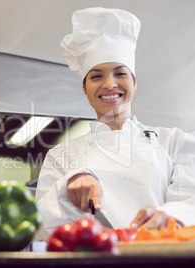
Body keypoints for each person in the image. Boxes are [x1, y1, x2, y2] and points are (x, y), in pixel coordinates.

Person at [35, 7, 195, 242]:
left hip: (162, 257)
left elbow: (191, 201)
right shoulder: (61, 155)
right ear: (84, 87)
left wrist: (166, 215)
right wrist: (67, 188)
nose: (110, 84)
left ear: (134, 82)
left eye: (120, 74)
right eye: (96, 76)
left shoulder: (175, 142)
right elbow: (43, 228)